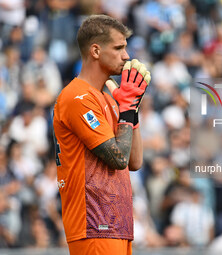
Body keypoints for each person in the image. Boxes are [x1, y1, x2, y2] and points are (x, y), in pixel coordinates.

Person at [53, 14, 150, 255]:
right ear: (95, 51)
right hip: (94, 225)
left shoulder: (107, 98)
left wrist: (132, 108)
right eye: (118, 48)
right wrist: (126, 109)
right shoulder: (77, 97)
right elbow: (117, 158)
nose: (126, 57)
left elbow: (134, 161)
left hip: (116, 226)